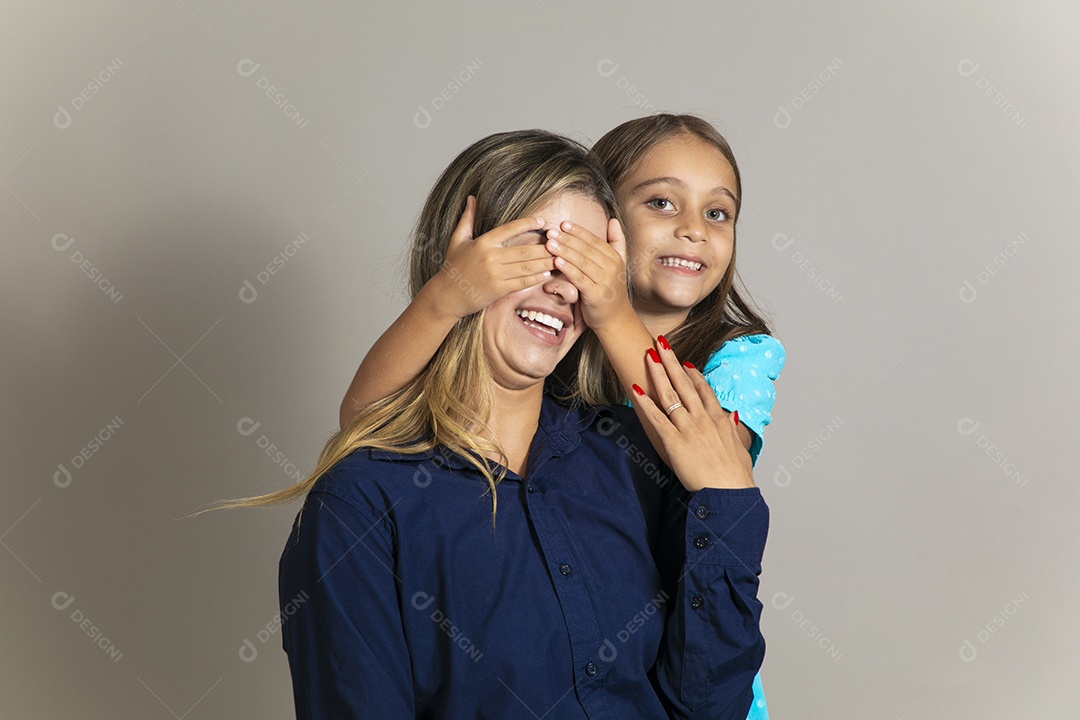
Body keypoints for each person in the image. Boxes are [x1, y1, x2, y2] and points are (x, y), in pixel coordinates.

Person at [212, 129, 769, 718]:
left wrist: (728, 497)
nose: (562, 284)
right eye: (531, 252)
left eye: (586, 264)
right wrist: (445, 296)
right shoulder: (362, 504)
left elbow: (710, 704)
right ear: (461, 266)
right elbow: (366, 416)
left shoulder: (635, 462)